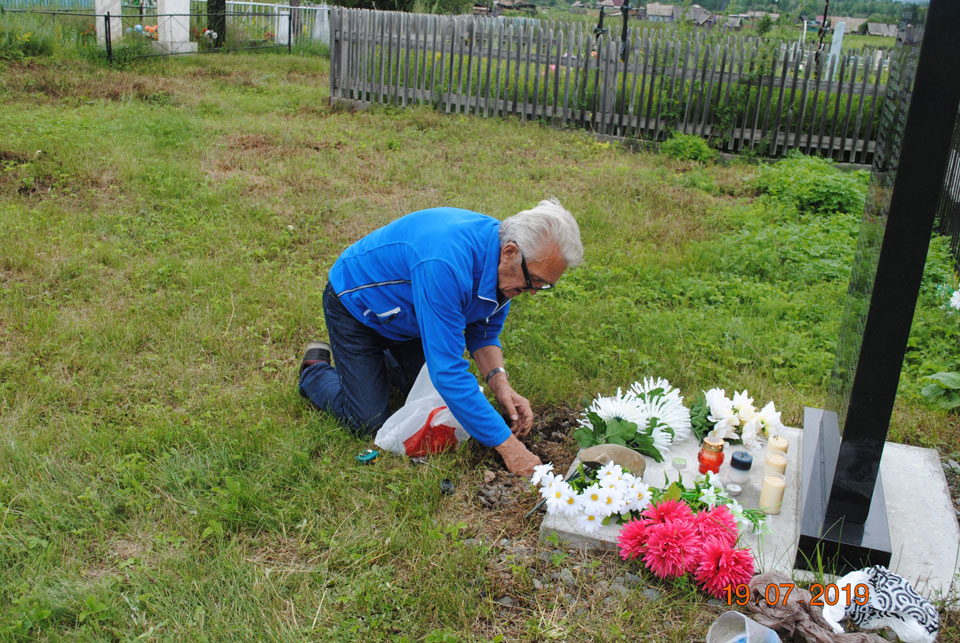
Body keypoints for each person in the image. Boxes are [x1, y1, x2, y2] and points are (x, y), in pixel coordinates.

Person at [298, 199, 583, 476]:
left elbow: (484, 333)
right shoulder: (446, 263)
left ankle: (374, 364)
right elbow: (448, 373)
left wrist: (501, 384)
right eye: (534, 280)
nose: (533, 291)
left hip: (411, 318)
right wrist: (510, 448)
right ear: (510, 251)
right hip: (357, 308)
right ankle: (315, 371)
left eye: (544, 285)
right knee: (367, 421)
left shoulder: (506, 267)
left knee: (435, 400)